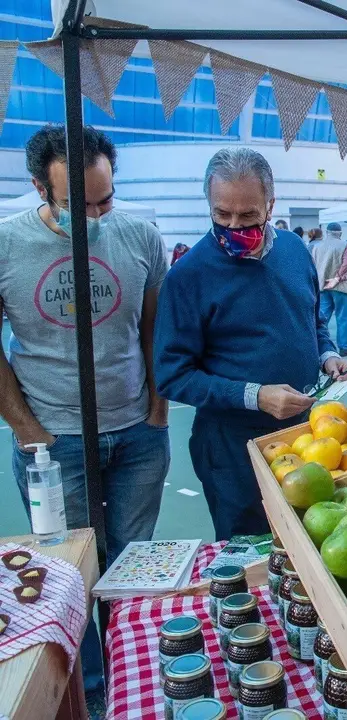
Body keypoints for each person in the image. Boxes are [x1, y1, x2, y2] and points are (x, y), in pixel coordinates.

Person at [0, 124, 171, 691]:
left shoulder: (140, 236)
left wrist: (158, 404)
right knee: (72, 572)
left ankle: (132, 677)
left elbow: (153, 326)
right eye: (80, 204)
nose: (95, 216)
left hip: (137, 432)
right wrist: (26, 427)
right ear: (38, 189)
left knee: (132, 563)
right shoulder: (7, 245)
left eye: (106, 199)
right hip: (53, 440)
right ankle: (91, 689)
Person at [155, 148, 347, 540]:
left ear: (270, 204)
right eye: (221, 215)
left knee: (309, 537)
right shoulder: (187, 276)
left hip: (303, 433)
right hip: (232, 447)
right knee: (250, 550)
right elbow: (172, 375)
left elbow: (311, 316)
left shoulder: (295, 251)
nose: (233, 225)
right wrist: (255, 395)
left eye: (247, 215)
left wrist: (327, 353)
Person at [309, 222, 347, 356]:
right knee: (343, 317)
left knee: (321, 317)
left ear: (327, 232)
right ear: (339, 233)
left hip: (323, 286)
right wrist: (337, 277)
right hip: (341, 287)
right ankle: (344, 347)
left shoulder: (317, 247)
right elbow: (346, 263)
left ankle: (316, 343)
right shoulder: (344, 245)